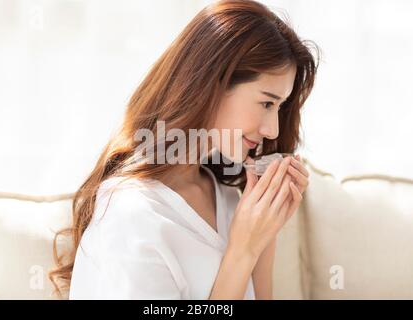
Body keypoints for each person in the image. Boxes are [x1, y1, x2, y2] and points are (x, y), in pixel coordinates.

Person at [50, 0, 317, 299]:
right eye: (267, 103)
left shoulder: (228, 201)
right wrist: (243, 251)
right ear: (213, 85)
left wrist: (265, 236)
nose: (273, 130)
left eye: (279, 108)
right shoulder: (132, 216)